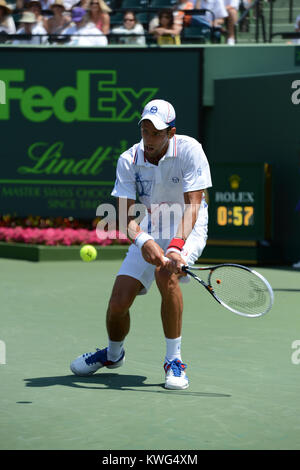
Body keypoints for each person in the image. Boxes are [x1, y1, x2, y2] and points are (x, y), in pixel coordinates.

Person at [70, 99, 212, 390]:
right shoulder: (129, 159)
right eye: (145, 131)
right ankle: (112, 355)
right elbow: (123, 216)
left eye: (156, 133)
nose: (148, 139)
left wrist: (175, 247)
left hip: (188, 224)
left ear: (170, 133)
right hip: (150, 224)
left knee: (166, 274)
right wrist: (144, 240)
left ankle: (174, 361)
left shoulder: (189, 150)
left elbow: (193, 207)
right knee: (118, 302)